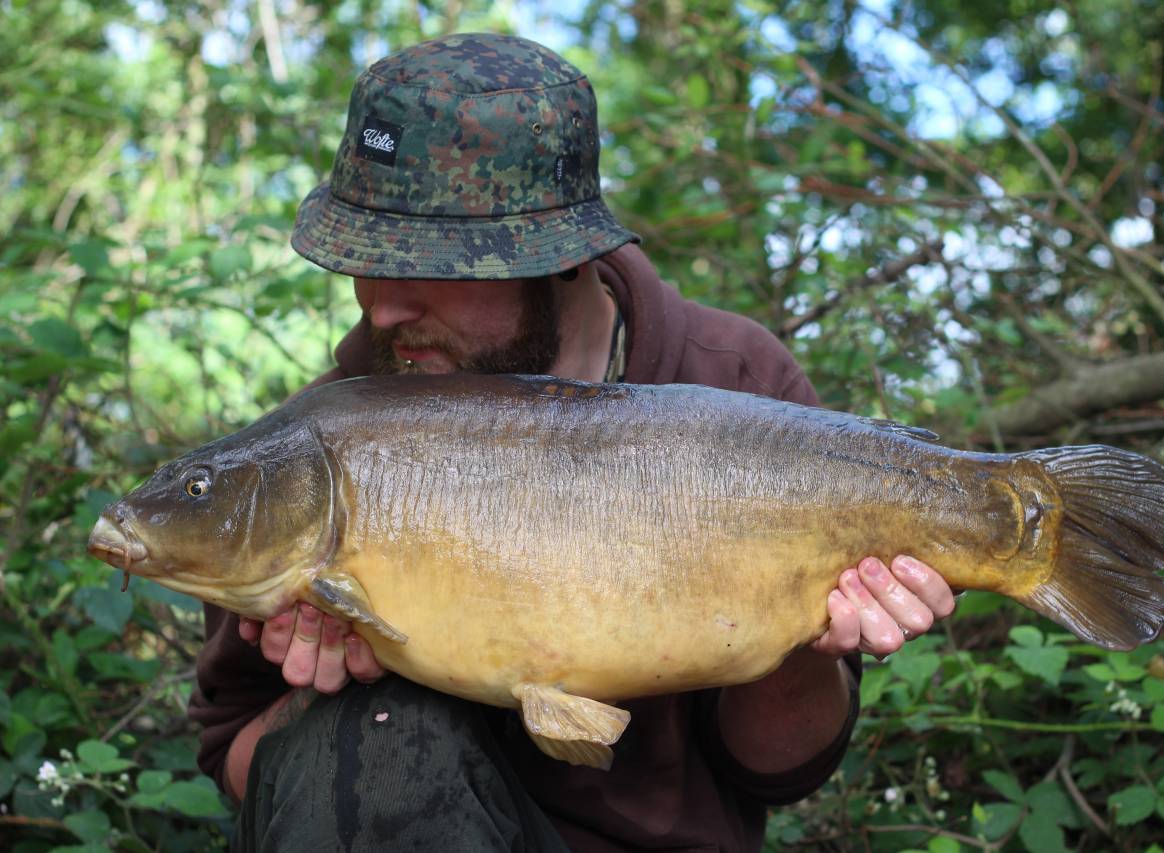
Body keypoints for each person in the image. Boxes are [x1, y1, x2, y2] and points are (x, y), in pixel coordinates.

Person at [189, 33, 956, 852]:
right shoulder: (309, 458)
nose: (381, 309)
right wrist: (326, 700)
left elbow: (779, 771)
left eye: (433, 264)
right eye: (364, 260)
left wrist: (808, 638)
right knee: (370, 732)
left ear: (560, 258)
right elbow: (233, 763)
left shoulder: (738, 384)